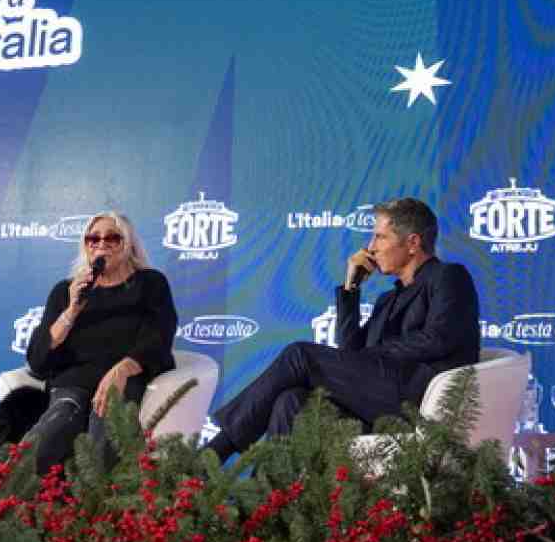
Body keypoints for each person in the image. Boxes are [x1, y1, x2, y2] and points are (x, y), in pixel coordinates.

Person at [205, 197, 479, 463]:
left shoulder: (449, 276)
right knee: (290, 401)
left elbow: (439, 338)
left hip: (415, 402)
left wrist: (373, 355)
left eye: (380, 237)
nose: (371, 248)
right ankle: (270, 490)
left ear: (413, 243)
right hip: (376, 400)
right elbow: (349, 351)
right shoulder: (388, 300)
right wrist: (351, 288)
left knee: (300, 354)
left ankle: (217, 451)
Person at [0, 211, 177, 475]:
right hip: (71, 385)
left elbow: (159, 336)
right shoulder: (66, 291)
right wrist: (72, 310)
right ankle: (2, 491)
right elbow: (38, 361)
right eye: (93, 239)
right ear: (85, 246)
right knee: (55, 426)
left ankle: (92, 499)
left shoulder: (150, 283)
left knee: (103, 435)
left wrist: (122, 370)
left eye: (112, 238)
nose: (102, 244)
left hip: (122, 382)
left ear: (128, 244)